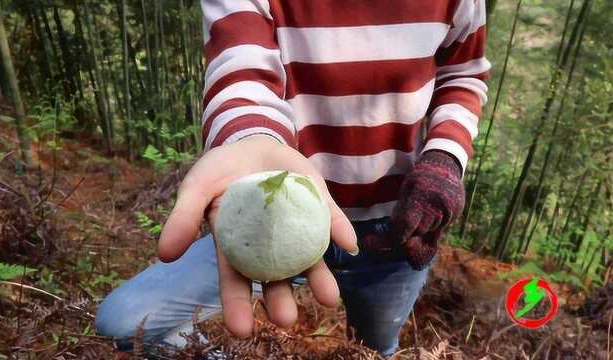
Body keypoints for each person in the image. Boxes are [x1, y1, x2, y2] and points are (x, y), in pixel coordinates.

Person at [95, 0, 490, 357]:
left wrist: (445, 156)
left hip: (396, 229)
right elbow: (241, 67)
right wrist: (252, 137)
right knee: (125, 321)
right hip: (268, 221)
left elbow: (463, 74)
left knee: (375, 349)